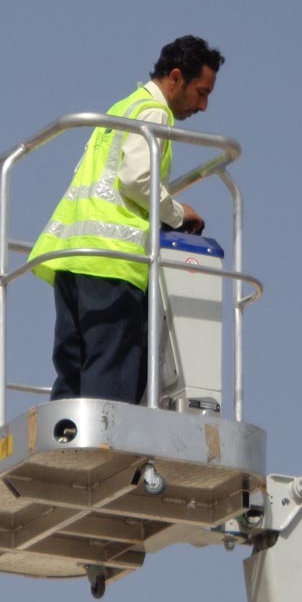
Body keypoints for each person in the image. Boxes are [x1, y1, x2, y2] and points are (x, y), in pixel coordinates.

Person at [28, 35, 224, 404]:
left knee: (74, 369)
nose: (203, 105)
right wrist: (178, 213)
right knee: (112, 369)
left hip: (73, 256)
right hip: (113, 260)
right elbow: (137, 180)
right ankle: (104, 440)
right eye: (201, 92)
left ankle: (67, 434)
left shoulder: (122, 109)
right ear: (176, 78)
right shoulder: (154, 113)